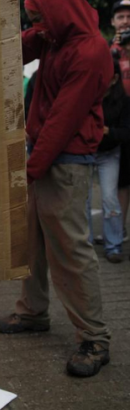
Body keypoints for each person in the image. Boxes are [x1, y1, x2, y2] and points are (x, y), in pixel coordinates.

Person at [0, 0, 112, 378]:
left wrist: (31, 168)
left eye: (40, 17)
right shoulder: (53, 39)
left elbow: (63, 120)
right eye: (32, 18)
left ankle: (94, 338)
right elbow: (10, 51)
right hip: (42, 153)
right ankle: (33, 313)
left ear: (59, 11)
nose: (36, 25)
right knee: (32, 242)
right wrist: (16, 31)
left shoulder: (91, 51)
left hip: (67, 160)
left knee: (70, 249)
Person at [88, 57, 130, 263]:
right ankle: (83, 246)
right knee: (82, 200)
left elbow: (126, 132)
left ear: (114, 79)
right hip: (85, 151)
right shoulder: (86, 94)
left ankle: (113, 245)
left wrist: (107, 131)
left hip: (109, 153)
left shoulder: (123, 101)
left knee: (109, 198)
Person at [109, 0, 130, 239]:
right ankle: (118, 230)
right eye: (121, 17)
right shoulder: (108, 49)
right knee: (121, 180)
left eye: (129, 17)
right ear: (113, 22)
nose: (125, 21)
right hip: (119, 121)